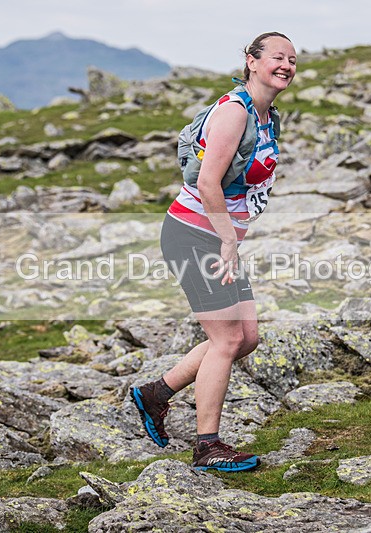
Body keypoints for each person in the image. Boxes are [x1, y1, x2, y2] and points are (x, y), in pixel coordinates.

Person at [130, 32, 296, 472]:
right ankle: (207, 446)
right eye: (277, 57)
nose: (286, 65)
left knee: (247, 337)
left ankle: (155, 394)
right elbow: (206, 183)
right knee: (225, 340)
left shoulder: (266, 115)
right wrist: (226, 240)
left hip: (220, 240)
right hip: (195, 236)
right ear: (252, 61)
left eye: (292, 60)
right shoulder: (234, 112)